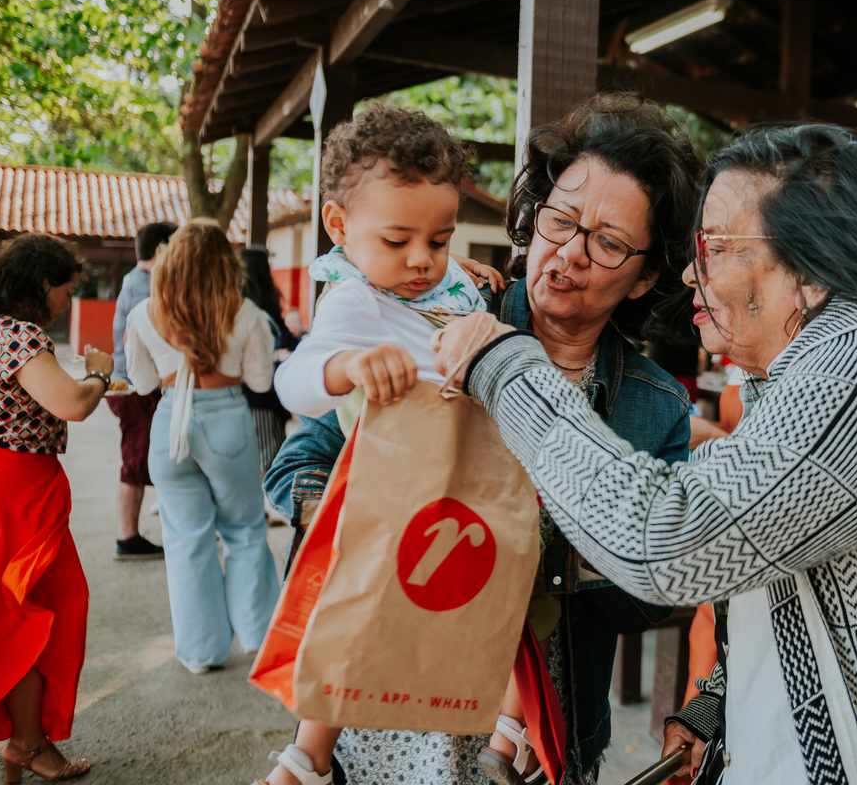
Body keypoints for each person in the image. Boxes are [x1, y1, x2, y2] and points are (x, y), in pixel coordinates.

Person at [435, 124, 857, 785]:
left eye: (713, 247)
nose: (692, 272)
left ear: (808, 270)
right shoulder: (828, 362)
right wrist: (723, 702)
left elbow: (670, 539)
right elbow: (780, 545)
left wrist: (502, 364)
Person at [262, 94, 698, 785]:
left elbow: (651, 592)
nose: (569, 254)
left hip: (535, 722)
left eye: (609, 242)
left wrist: (544, 547)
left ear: (646, 275)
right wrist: (371, 519)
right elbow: (301, 460)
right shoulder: (437, 310)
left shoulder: (656, 407)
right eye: (560, 220)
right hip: (387, 710)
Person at [124, 222, 280, 675]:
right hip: (227, 420)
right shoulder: (245, 310)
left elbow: (143, 383)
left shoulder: (143, 313)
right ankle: (257, 634)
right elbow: (260, 381)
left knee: (186, 539)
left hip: (171, 423)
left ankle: (201, 652)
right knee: (244, 530)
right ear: (224, 264)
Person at [0, 233, 114, 781]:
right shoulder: (18, 336)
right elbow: (71, 404)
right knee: (38, 612)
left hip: (13, 484)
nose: (68, 301)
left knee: (22, 610)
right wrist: (99, 372)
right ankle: (26, 741)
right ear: (43, 285)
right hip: (18, 489)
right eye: (66, 290)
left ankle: (26, 740)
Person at [107, 222, 175, 560]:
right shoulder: (143, 287)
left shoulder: (137, 282)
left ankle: (130, 536)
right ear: (162, 249)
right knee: (134, 460)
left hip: (137, 386)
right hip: (136, 388)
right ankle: (127, 537)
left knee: (139, 457)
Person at [239, 247, 297, 494]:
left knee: (250, 454)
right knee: (268, 455)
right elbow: (289, 341)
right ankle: (260, 512)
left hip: (239, 390)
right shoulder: (265, 307)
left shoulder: (235, 304)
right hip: (263, 393)